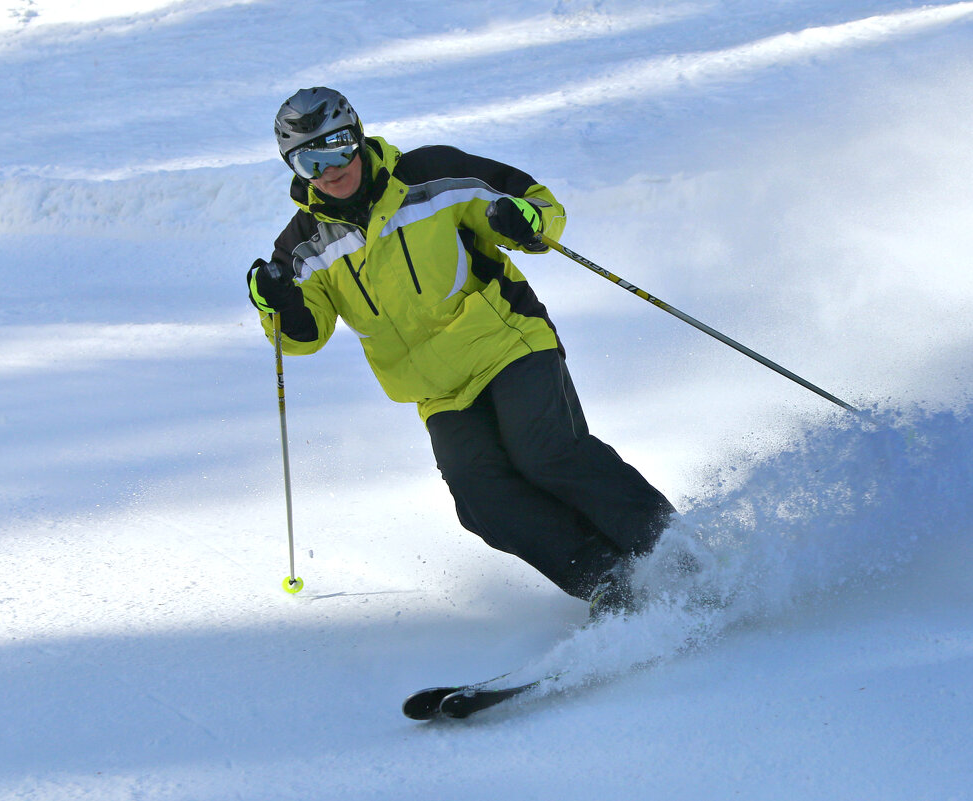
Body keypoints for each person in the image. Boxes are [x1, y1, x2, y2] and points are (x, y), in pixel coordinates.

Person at [248, 87, 674, 617]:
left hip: (506, 344)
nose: (329, 169)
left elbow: (536, 203)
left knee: (547, 453)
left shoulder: (432, 176)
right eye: (309, 159)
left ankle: (675, 555)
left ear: (356, 136)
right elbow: (303, 338)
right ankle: (609, 582)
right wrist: (280, 305)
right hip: (436, 389)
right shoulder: (302, 245)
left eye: (336, 148)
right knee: (482, 502)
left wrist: (524, 220)